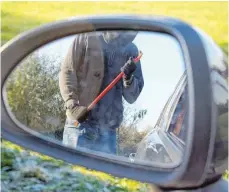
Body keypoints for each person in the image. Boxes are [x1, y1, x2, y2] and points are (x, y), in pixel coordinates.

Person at [59, 31, 144, 154]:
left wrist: (128, 78)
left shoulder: (131, 50)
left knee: (105, 173)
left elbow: (132, 97)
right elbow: (67, 71)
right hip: (79, 124)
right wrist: (72, 104)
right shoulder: (86, 37)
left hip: (108, 132)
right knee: (72, 172)